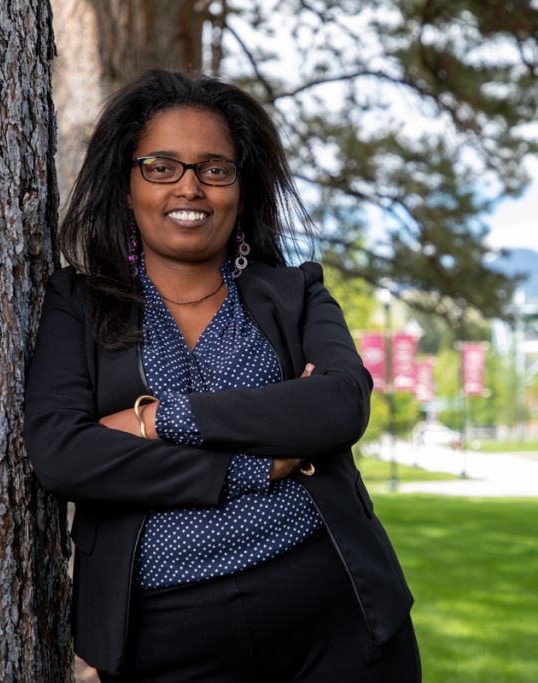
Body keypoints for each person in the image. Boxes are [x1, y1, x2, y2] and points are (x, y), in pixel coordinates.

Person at [24, 69, 421, 682]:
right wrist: (253, 462)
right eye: (161, 166)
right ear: (127, 185)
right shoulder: (77, 303)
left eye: (215, 168)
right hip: (165, 640)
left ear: (239, 187)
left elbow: (340, 404)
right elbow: (64, 454)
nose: (190, 187)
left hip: (336, 621)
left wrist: (159, 420)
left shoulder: (293, 294)